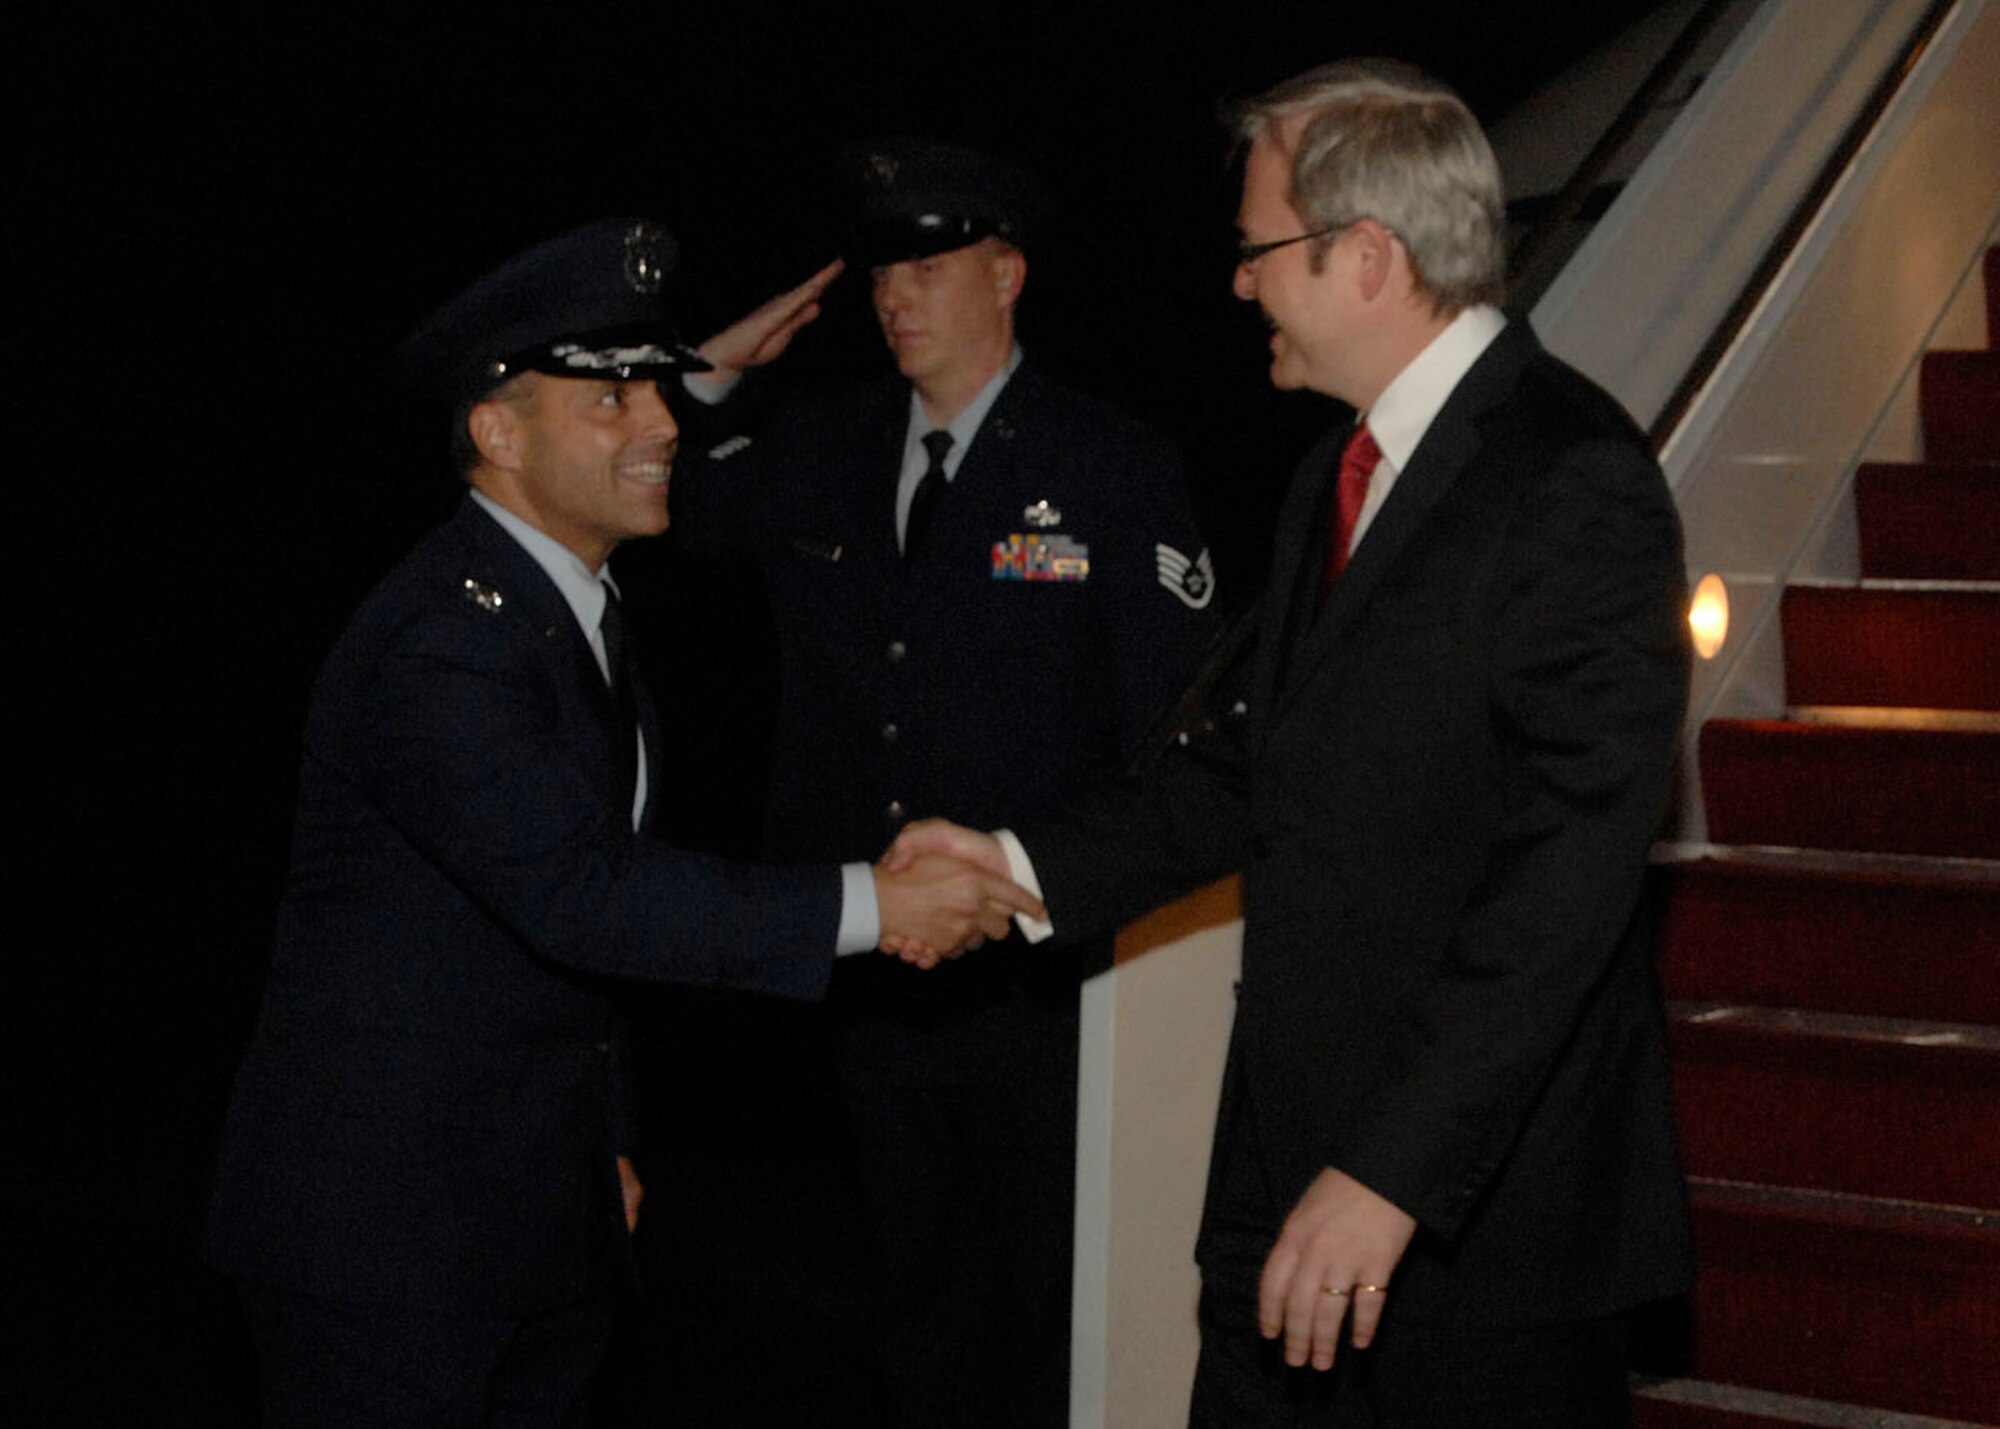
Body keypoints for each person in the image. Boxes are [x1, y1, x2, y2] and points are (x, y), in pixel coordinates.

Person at [890, 61, 1694, 1427]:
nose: (1240, 285)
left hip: (1468, 1228)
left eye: (1259, 250)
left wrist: (1392, 1173)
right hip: (1285, 1178)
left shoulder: (1572, 477)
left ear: (1366, 258)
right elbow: (1250, 767)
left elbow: (1570, 878)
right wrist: (1017, 865)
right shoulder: (1335, 472)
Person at [204, 217, 1037, 1428]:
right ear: (495, 434)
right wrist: (876, 902)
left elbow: (553, 955)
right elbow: (587, 893)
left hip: (534, 1213)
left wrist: (599, 1146)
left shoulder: (556, 605)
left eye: (656, 394)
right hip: (387, 1244)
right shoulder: (441, 639)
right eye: (614, 405)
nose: (659, 427)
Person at [654, 141, 1223, 1426]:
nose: (893, 292)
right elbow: (659, 498)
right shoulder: (821, 445)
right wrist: (705, 374)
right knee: (909, 1307)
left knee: (1047, 1315)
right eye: (880, 269)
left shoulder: (1107, 464)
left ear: (1005, 272)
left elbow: (1179, 741)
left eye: (928, 263)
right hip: (869, 975)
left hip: (1045, 983)